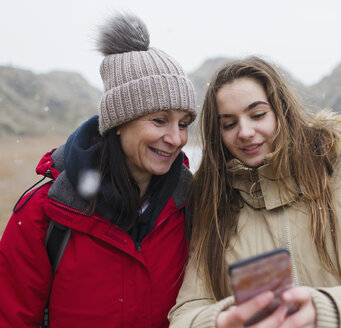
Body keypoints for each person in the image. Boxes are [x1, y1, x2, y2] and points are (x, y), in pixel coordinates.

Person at [168, 56, 341, 327]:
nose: (245, 132)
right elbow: (186, 314)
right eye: (229, 124)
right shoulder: (211, 202)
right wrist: (224, 320)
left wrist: (328, 311)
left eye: (257, 114)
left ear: (282, 111)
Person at [0, 13, 196, 328]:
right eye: (160, 120)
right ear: (119, 123)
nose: (176, 139)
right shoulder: (43, 215)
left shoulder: (191, 208)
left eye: (184, 124)